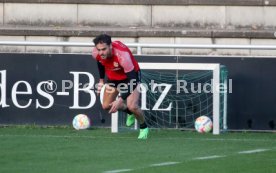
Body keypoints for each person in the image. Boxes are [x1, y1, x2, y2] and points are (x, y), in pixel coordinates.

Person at [92, 34, 149, 139]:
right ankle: (129, 113)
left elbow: (133, 80)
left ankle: (143, 127)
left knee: (133, 106)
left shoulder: (122, 56)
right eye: (99, 49)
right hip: (114, 77)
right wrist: (101, 81)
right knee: (106, 106)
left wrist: (121, 100)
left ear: (110, 46)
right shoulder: (96, 52)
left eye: (104, 49)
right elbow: (100, 63)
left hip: (131, 76)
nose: (101, 52)